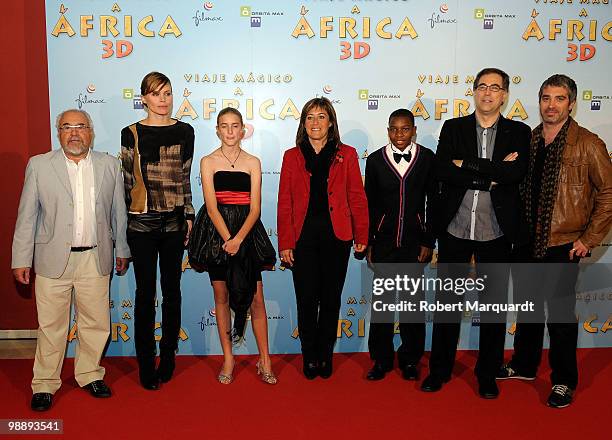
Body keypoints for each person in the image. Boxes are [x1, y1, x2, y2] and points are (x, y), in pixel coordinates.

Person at [497, 74, 612, 408]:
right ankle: (524, 364)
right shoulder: (527, 140)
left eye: (559, 98)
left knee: (560, 316)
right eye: (546, 97)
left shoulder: (588, 143)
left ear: (571, 103)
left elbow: (607, 194)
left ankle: (564, 380)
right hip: (526, 240)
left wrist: (588, 239)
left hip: (564, 243)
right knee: (528, 309)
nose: (551, 105)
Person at [421, 68, 531, 399]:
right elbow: (442, 168)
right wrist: (489, 175)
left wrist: (465, 165)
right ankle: (439, 370)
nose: (487, 93)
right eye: (482, 86)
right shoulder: (454, 127)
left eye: (494, 88)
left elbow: (515, 173)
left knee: (494, 310)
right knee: (447, 306)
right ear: (474, 91)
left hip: (496, 232)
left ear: (505, 95)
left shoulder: (519, 131)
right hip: (454, 229)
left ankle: (487, 375)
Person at [12, 109, 130, 411]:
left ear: (90, 131)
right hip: (52, 259)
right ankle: (44, 383)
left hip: (95, 256)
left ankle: (90, 373)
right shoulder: (39, 166)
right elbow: (27, 216)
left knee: (96, 322)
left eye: (80, 126)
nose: (74, 133)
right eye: (67, 127)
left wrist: (122, 250)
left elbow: (119, 212)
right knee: (51, 325)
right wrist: (21, 258)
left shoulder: (109, 165)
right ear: (58, 132)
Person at [277, 97, 369, 379]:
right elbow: (285, 202)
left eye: (321, 116)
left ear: (331, 121)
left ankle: (325, 355)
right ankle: (309, 356)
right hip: (303, 238)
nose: (315, 122)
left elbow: (356, 195)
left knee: (330, 300)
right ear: (303, 123)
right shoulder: (292, 156)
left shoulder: (348, 154)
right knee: (305, 299)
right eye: (310, 117)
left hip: (336, 237)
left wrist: (361, 233)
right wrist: (286, 243)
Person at [190, 107, 277, 384]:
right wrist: (227, 239)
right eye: (224, 126)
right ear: (217, 130)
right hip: (216, 234)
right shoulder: (207, 161)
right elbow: (211, 206)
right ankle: (228, 357)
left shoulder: (253, 161)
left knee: (257, 298)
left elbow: (256, 208)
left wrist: (239, 239)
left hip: (247, 233)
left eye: (234, 126)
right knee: (222, 297)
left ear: (242, 130)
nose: (229, 131)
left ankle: (265, 360)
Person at [120, 72, 195, 390]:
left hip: (175, 223)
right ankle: (145, 363)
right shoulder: (131, 133)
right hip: (142, 225)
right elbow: (126, 183)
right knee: (144, 294)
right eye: (156, 94)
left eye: (167, 93)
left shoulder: (185, 131)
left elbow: (186, 175)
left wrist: (189, 214)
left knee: (173, 292)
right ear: (144, 98)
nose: (163, 99)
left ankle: (168, 357)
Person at [364, 109, 437, 381]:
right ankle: (381, 360)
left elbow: (433, 203)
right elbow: (369, 205)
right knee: (382, 306)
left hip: (413, 245)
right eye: (394, 129)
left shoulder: (427, 159)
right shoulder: (374, 161)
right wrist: (370, 241)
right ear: (388, 131)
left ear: (414, 130)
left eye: (405, 129)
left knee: (411, 307)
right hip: (383, 245)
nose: (399, 135)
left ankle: (410, 360)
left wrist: (428, 240)